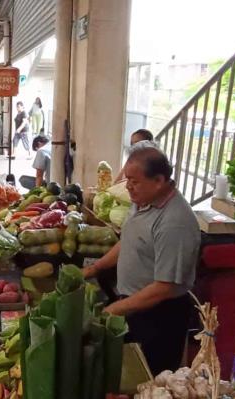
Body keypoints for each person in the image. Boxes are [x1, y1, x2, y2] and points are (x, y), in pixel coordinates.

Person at [82, 146, 200, 376]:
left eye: (134, 181)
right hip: (133, 303)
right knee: (128, 371)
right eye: (128, 179)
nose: (127, 186)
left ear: (159, 180)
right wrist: (94, 268)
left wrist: (113, 310)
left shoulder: (175, 223)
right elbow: (129, 240)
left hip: (159, 315)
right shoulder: (143, 200)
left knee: (151, 379)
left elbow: (164, 288)